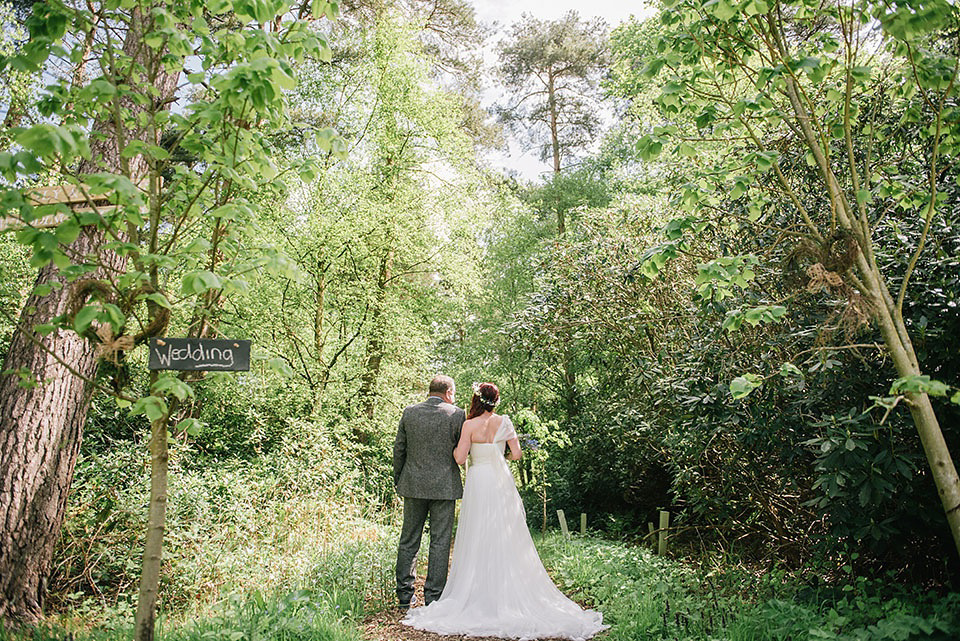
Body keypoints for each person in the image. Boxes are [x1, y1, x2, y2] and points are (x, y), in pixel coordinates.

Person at [402, 382, 608, 640]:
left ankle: (474, 588)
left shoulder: (469, 424)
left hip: (478, 480)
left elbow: (459, 458)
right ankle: (503, 586)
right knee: (504, 532)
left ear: (477, 400)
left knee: (477, 533)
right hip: (499, 482)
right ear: (496, 402)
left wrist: (461, 450)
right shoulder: (505, 422)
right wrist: (500, 457)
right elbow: (518, 453)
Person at [393, 375, 465, 609]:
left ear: (430, 391)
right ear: (448, 392)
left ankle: (404, 595)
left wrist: (399, 480)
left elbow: (399, 449)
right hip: (445, 487)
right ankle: (434, 596)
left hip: (413, 485)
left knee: (409, 539)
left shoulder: (410, 412)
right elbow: (461, 452)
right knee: (440, 541)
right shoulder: (457, 414)